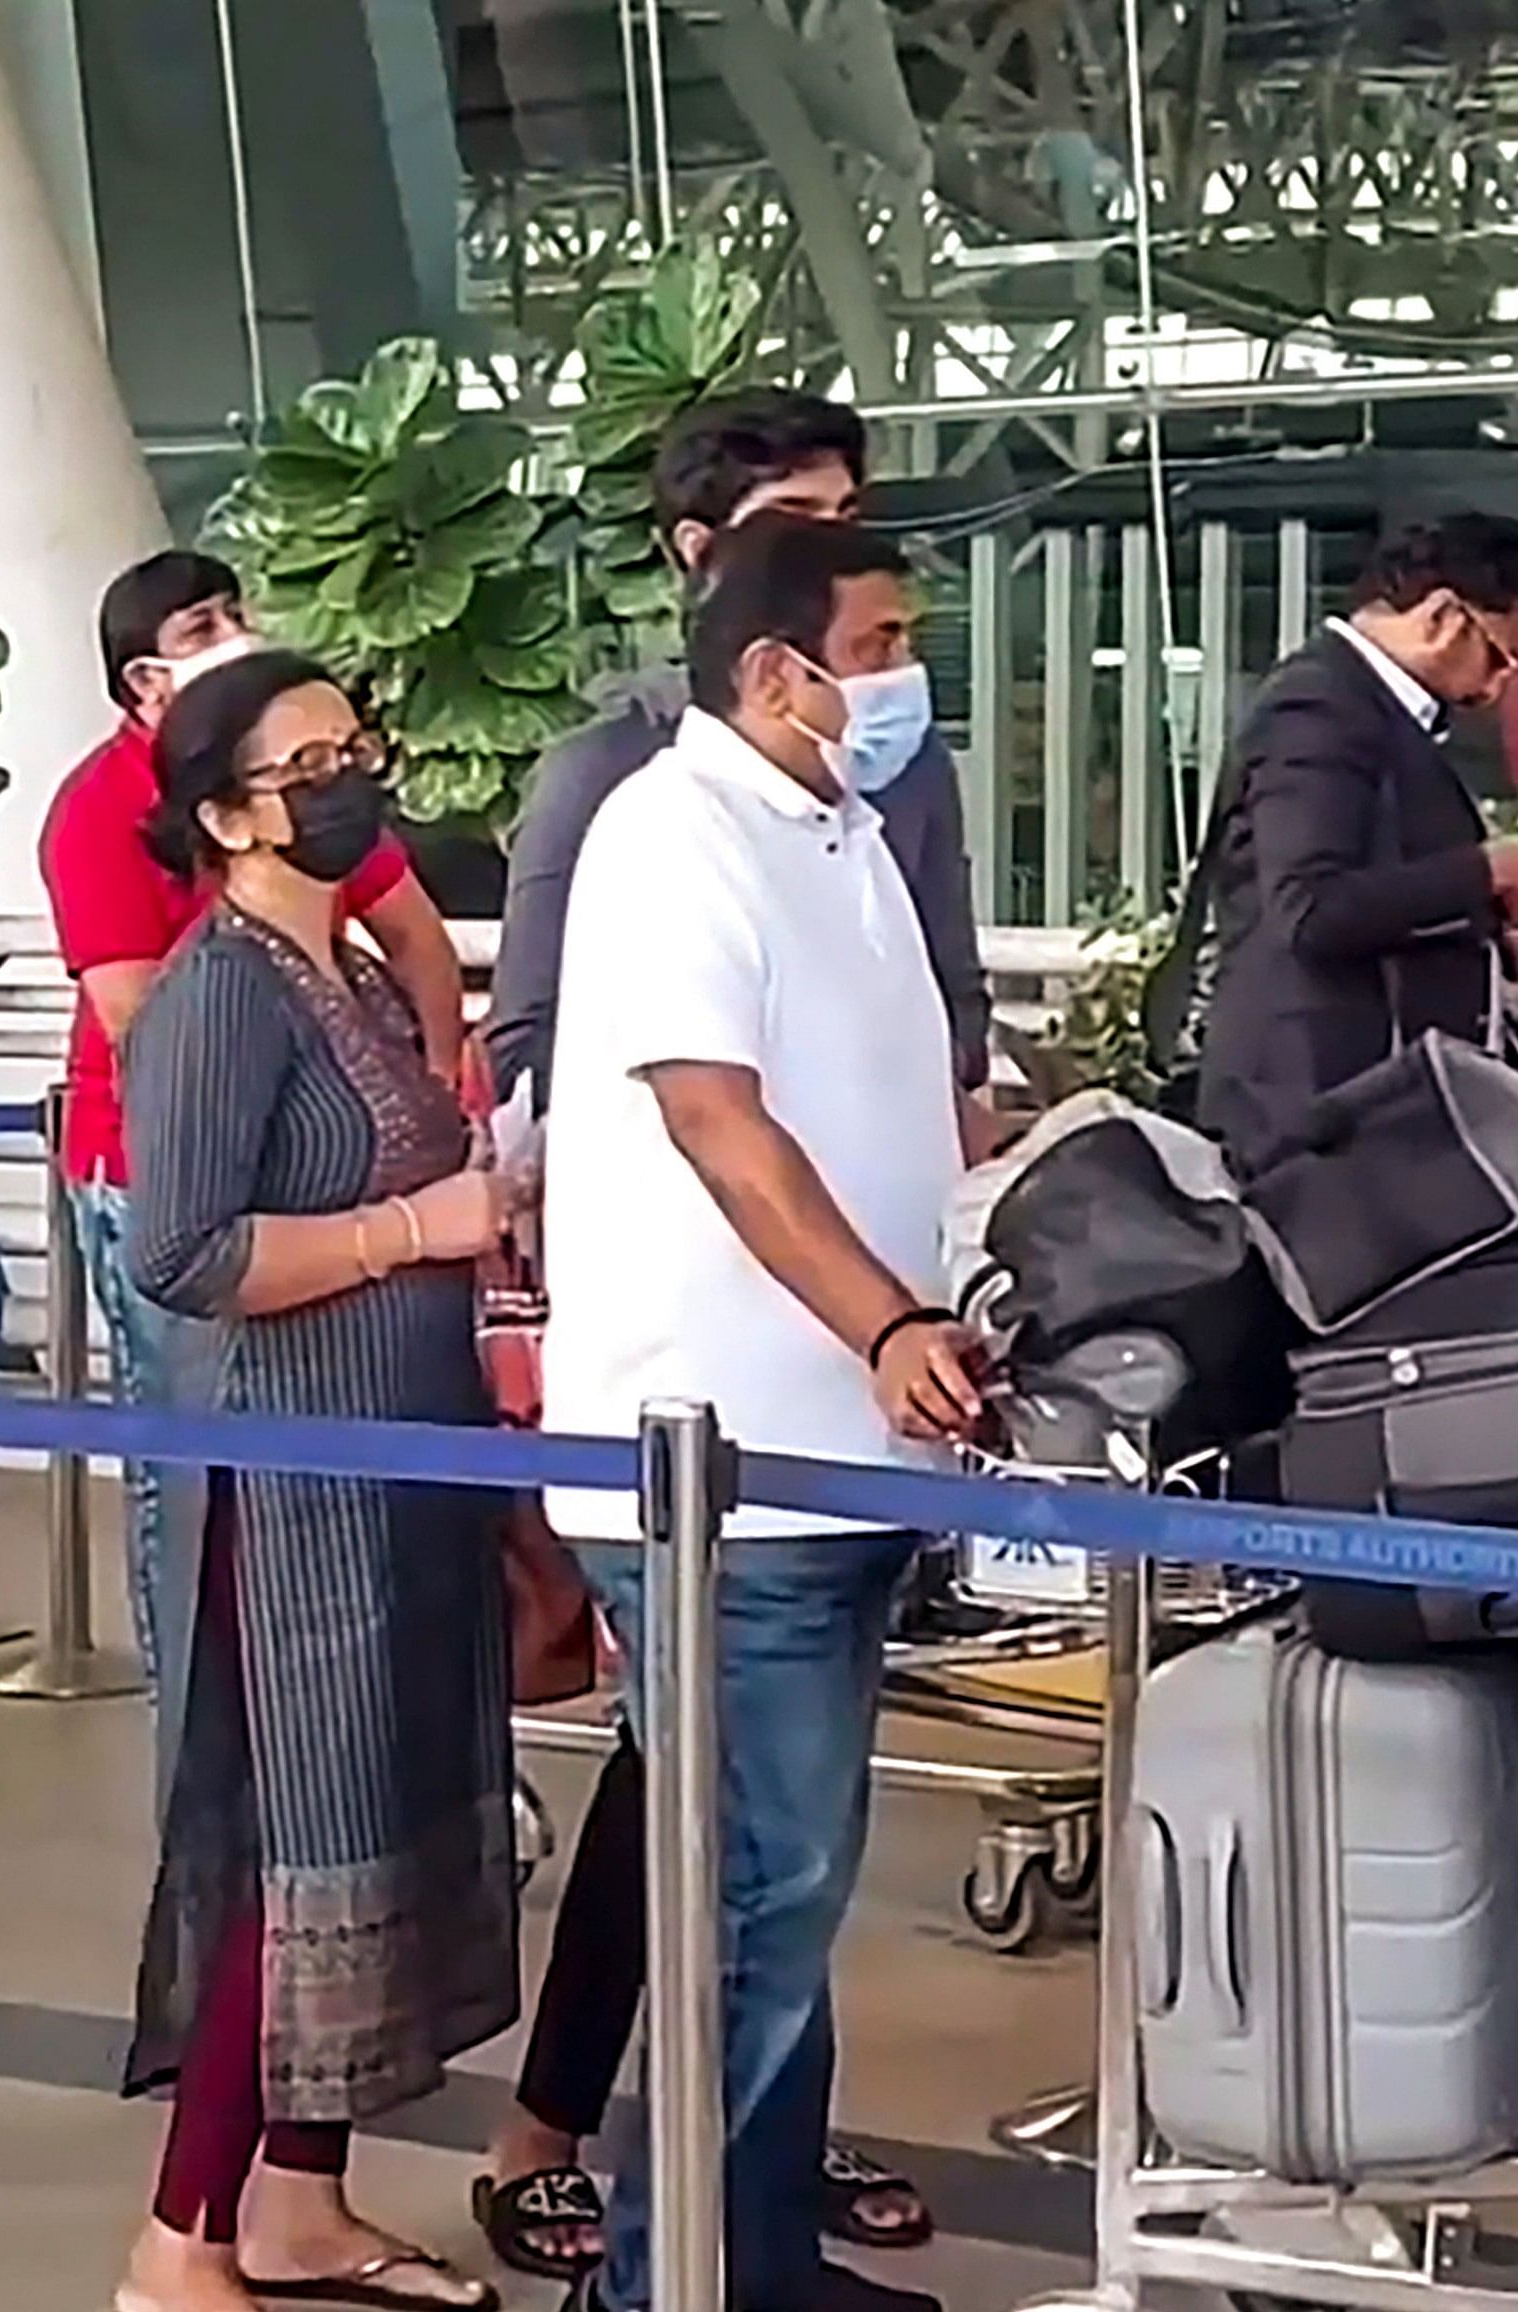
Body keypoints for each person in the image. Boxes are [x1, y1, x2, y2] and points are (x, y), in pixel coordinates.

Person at [474, 391, 965, 2276]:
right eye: (885, 650)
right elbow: (714, 1117)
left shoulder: (831, 824)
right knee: (757, 1892)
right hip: (723, 1464)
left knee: (784, 1890)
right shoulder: (671, 829)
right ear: (777, 667)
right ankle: (671, 2271)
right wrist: (890, 1312)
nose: (907, 679)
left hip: (840, 1455)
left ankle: (744, 2251)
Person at [112, 652, 519, 2312]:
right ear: (222, 814)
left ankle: (298, 2199)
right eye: (312, 762)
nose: (355, 777)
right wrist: (413, 1233)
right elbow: (184, 1252)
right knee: (292, 1859)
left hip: (391, 1475)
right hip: (292, 1499)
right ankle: (177, 2238)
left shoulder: (333, 962)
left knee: (372, 1832)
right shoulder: (222, 990)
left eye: (362, 745)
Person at [41, 549, 468, 1685]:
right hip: (158, 1161)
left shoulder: (303, 786)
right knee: (196, 1487)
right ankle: (213, 1736)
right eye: (199, 625)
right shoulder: (101, 819)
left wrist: (431, 1095)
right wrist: (405, 1212)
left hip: (327, 1163)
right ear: (142, 680)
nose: (233, 631)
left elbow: (417, 934)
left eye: (236, 610)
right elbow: (140, 1022)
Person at [490, 388, 989, 1104]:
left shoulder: (901, 759)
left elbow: (954, 993)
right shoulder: (608, 779)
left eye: (847, 517)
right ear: (699, 553)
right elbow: (530, 1039)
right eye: (796, 522)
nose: (835, 550)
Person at [1185, 514, 1518, 1172]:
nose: (1495, 690)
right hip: (1318, 1108)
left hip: (1364, 1101)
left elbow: (1379, 889)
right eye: (1497, 657)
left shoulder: (1364, 709)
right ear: (1442, 617)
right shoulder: (1317, 707)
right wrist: (1484, 871)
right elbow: (1311, 907)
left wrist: (1488, 932)